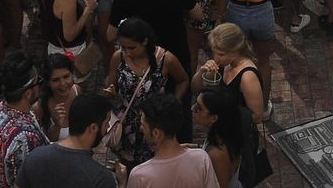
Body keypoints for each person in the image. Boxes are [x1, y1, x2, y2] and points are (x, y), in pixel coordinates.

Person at [105, 17, 188, 170]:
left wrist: (173, 102)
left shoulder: (165, 59)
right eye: (123, 47)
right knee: (126, 165)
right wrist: (110, 93)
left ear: (144, 42)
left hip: (153, 122)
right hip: (126, 122)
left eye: (132, 47)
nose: (127, 52)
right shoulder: (118, 58)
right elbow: (112, 85)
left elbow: (183, 80)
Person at [15, 93, 116, 188]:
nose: (107, 127)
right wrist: (123, 183)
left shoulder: (35, 157)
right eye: (106, 122)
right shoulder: (102, 179)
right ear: (93, 128)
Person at [127, 92, 220, 188]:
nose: (141, 128)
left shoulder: (139, 176)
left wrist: (122, 184)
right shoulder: (201, 159)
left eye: (143, 125)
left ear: (156, 133)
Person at [0, 53, 49, 188]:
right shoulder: (26, 137)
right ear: (28, 93)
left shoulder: (0, 108)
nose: (40, 86)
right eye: (39, 82)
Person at [190, 86, 249, 188]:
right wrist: (194, 147)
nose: (192, 108)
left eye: (199, 108)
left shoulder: (217, 154)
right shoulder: (225, 133)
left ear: (214, 118)